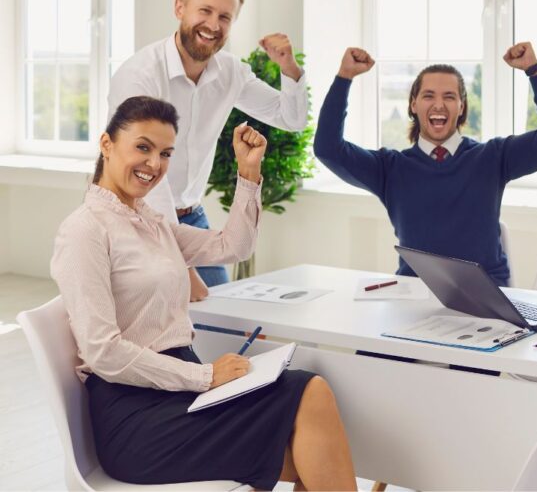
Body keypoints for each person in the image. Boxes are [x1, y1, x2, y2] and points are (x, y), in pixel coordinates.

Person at [50, 96, 357, 490]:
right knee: (307, 401)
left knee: (306, 423)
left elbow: (234, 246)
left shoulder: (151, 223)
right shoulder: (85, 230)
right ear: (107, 144)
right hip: (134, 416)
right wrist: (204, 375)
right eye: (142, 147)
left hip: (178, 393)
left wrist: (248, 173)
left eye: (164, 153)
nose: (154, 164)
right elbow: (103, 353)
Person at [109, 0, 310, 291]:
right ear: (180, 8)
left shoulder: (230, 72)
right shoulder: (140, 77)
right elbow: (143, 169)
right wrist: (177, 262)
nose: (214, 25)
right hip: (138, 222)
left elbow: (290, 118)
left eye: (225, 17)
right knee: (165, 326)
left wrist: (289, 66)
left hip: (192, 217)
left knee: (223, 318)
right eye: (205, 10)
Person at [314, 43, 537, 286]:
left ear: (461, 106)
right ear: (414, 105)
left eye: (449, 97)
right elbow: (328, 148)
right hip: (413, 295)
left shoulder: (493, 157)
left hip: (486, 298)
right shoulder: (389, 168)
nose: (439, 104)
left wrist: (534, 70)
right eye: (428, 96)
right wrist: (344, 77)